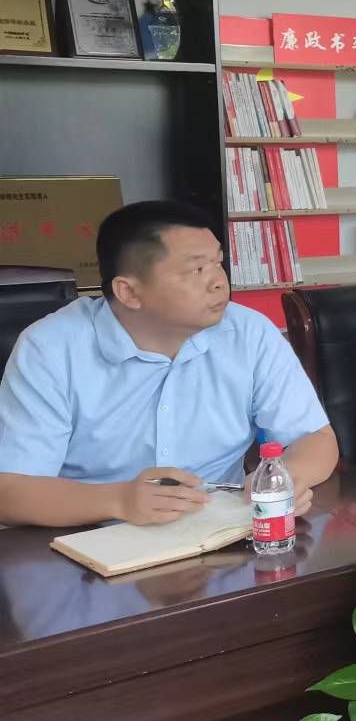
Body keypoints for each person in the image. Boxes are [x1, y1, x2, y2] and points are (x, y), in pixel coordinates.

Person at [0, 201, 337, 528]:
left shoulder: (248, 332)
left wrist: (285, 478)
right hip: (90, 536)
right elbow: (11, 491)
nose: (219, 282)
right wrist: (118, 501)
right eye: (196, 270)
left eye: (218, 263)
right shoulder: (51, 349)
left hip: (221, 531)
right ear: (129, 292)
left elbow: (316, 438)